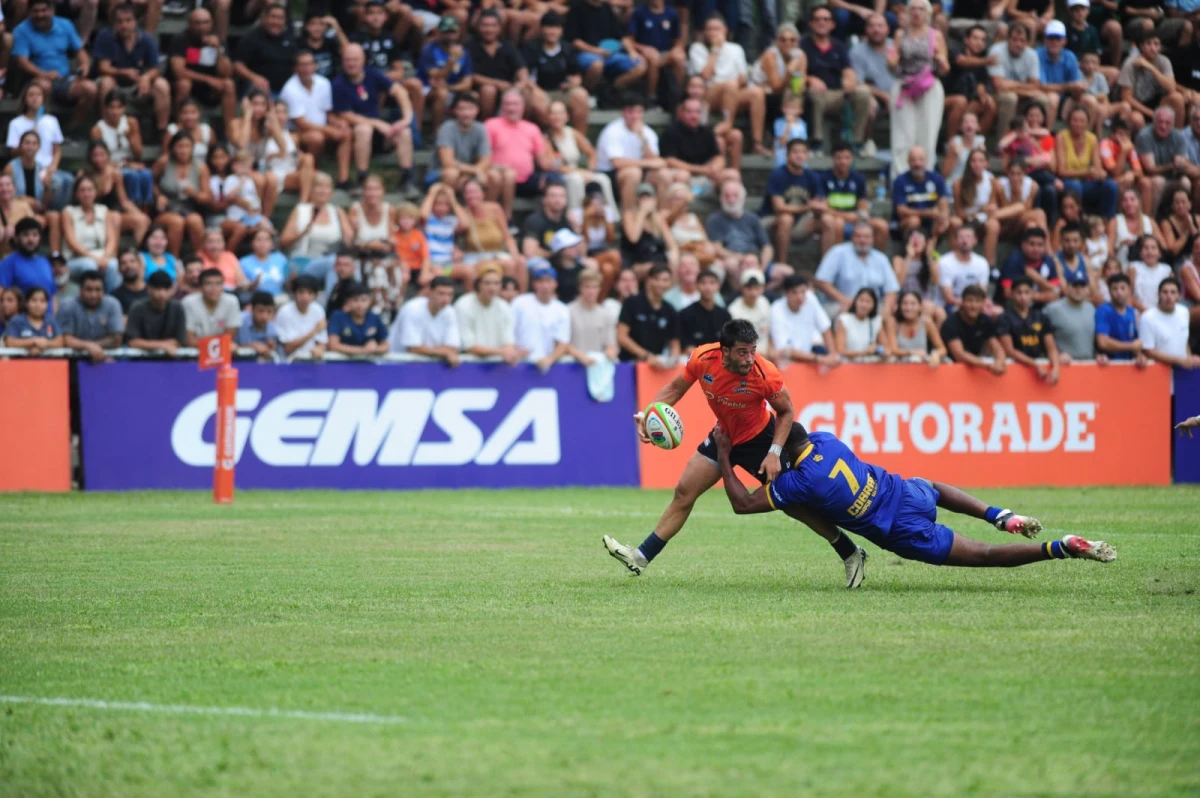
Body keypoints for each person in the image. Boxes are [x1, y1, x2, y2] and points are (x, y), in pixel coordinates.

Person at [604, 318, 865, 586]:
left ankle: (850, 552)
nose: (750, 358)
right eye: (743, 351)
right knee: (684, 493)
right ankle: (641, 557)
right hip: (723, 437)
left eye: (753, 350)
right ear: (725, 350)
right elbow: (674, 389)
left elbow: (786, 412)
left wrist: (774, 452)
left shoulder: (766, 373)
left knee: (794, 505)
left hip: (760, 440)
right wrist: (648, 414)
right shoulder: (703, 358)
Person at [711, 422, 1116, 574]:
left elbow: (743, 503)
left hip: (898, 529)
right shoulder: (826, 441)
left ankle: (1059, 548)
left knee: (985, 556)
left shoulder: (800, 484)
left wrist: (725, 455)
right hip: (903, 492)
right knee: (935, 488)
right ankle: (999, 513)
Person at [332, 44, 417, 197]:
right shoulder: (339, 83)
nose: (351, 64)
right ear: (342, 62)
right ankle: (362, 178)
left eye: (355, 60)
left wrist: (406, 119)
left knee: (405, 132)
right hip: (357, 137)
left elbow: (400, 92)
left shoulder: (372, 74)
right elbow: (346, 115)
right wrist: (377, 123)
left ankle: (406, 180)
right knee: (363, 129)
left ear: (363, 60)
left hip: (380, 135)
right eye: (347, 60)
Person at [688, 13, 768, 157]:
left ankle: (757, 142)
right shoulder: (697, 48)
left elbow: (743, 78)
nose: (713, 33)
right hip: (708, 94)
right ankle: (727, 122)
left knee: (757, 92)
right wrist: (715, 51)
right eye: (709, 29)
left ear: (725, 30)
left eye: (717, 29)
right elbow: (703, 76)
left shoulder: (736, 49)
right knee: (730, 85)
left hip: (732, 93)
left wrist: (739, 82)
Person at [12, 0, 98, 129]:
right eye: (35, 11)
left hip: (65, 79)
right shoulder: (21, 30)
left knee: (90, 88)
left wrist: (85, 65)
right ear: (29, 12)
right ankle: (40, 127)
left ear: (52, 10)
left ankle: (73, 128)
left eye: (44, 11)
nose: (40, 15)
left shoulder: (65, 25)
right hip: (36, 78)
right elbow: (22, 62)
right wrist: (44, 74)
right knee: (43, 86)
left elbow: (80, 51)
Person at [888, 0, 948, 182]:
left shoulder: (935, 35)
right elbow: (892, 63)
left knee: (928, 134)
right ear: (907, 13)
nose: (916, 12)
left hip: (928, 86)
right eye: (912, 9)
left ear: (927, 13)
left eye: (920, 9)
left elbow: (945, 68)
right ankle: (899, 179)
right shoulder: (900, 34)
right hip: (905, 86)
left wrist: (940, 60)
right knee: (902, 137)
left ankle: (925, 177)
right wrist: (891, 60)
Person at [799, 5, 872, 153]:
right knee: (815, 95)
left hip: (839, 93)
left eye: (826, 19)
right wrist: (809, 79)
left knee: (863, 92)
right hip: (815, 95)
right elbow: (795, 73)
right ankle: (816, 143)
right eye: (817, 19)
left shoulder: (839, 45)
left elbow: (848, 69)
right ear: (811, 23)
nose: (821, 23)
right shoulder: (803, 44)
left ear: (832, 24)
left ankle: (856, 142)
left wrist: (850, 78)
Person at [93, 3, 171, 137]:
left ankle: (161, 132)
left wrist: (146, 77)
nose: (124, 25)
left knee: (161, 85)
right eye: (120, 21)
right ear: (114, 23)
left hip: (138, 85)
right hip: (115, 84)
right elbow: (103, 67)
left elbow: (154, 68)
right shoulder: (106, 36)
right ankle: (106, 129)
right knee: (106, 82)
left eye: (128, 20)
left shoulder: (146, 39)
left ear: (135, 22)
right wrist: (123, 72)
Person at [280, 52, 352, 189]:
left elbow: (327, 112)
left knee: (346, 132)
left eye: (310, 64)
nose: (307, 68)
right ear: (296, 68)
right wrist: (329, 130)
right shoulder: (290, 89)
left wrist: (338, 123)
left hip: (321, 127)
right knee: (316, 138)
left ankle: (344, 179)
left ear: (315, 66)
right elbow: (300, 123)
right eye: (303, 65)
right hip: (297, 132)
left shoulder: (323, 83)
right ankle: (311, 172)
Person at [168, 8, 237, 136]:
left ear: (211, 24)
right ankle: (180, 130)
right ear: (190, 24)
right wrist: (208, 79)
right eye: (197, 23)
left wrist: (219, 50)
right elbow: (179, 71)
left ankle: (230, 132)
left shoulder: (218, 41)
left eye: (205, 22)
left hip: (210, 90)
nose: (202, 27)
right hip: (190, 87)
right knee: (184, 84)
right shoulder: (181, 40)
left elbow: (227, 72)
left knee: (229, 84)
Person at [279, 173, 353, 290]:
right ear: (312, 190)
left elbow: (349, 242)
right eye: (319, 186)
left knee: (343, 264)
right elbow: (283, 242)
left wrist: (350, 232)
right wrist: (302, 232)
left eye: (327, 187)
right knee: (335, 263)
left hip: (330, 260)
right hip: (305, 261)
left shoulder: (337, 212)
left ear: (331, 192)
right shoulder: (301, 210)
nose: (323, 191)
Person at [485, 89, 552, 218]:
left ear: (523, 107)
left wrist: (560, 166)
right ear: (502, 106)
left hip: (526, 180)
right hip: (500, 177)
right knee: (509, 175)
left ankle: (551, 222)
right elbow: (483, 156)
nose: (511, 108)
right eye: (508, 104)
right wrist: (498, 167)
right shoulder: (491, 125)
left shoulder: (532, 128)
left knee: (556, 182)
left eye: (515, 104)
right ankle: (506, 218)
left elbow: (543, 161)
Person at [595, 94, 666, 213]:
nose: (635, 116)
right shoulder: (612, 131)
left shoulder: (647, 132)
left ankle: (662, 216)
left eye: (639, 112)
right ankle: (628, 216)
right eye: (630, 112)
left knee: (663, 174)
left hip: (639, 172)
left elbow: (656, 161)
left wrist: (642, 139)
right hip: (611, 175)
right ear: (623, 112)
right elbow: (617, 163)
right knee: (633, 173)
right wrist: (648, 163)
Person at [6, 84, 71, 212]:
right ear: (25, 99)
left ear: (43, 99)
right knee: (56, 183)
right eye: (31, 95)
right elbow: (13, 152)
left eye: (38, 95)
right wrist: (26, 141)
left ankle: (57, 213)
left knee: (68, 180)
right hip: (29, 167)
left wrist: (52, 167)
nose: (35, 98)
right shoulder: (16, 123)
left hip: (48, 167)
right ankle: (44, 211)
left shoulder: (51, 121)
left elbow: (57, 150)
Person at [815, 219, 898, 319]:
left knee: (890, 317)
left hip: (873, 306)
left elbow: (891, 289)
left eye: (866, 237)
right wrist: (843, 299)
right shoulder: (837, 252)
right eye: (858, 236)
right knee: (843, 315)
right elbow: (821, 281)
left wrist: (887, 308)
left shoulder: (881, 258)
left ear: (873, 239)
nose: (862, 240)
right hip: (841, 303)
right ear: (852, 237)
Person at [544, 100, 616, 213]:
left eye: (560, 113)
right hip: (559, 174)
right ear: (548, 117)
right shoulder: (546, 138)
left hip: (578, 171)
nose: (557, 117)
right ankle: (578, 217)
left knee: (603, 179)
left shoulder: (572, 133)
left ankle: (610, 217)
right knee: (575, 180)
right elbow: (553, 165)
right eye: (553, 113)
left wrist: (590, 170)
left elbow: (592, 153)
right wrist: (579, 172)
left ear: (567, 116)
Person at [761, 138, 824, 267]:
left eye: (803, 152)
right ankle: (781, 265)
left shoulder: (813, 176)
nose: (799, 155)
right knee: (786, 218)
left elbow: (821, 202)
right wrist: (807, 207)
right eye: (795, 152)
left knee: (828, 220)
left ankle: (825, 268)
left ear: (807, 155)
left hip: (800, 223)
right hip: (771, 220)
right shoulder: (778, 174)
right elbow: (779, 207)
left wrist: (817, 207)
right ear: (787, 155)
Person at [523, 12, 588, 133]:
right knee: (536, 100)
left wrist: (573, 83)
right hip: (540, 90)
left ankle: (580, 139)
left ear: (561, 30)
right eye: (549, 27)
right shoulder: (531, 48)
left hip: (561, 91)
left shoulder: (567, 48)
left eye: (556, 28)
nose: (553, 31)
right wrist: (537, 90)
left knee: (581, 95)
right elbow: (525, 77)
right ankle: (552, 139)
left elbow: (576, 76)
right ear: (542, 29)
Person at [511, 261, 582, 369]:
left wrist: (550, 359)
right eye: (541, 281)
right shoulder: (519, 303)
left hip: (547, 364)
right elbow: (509, 331)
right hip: (520, 362)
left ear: (555, 284)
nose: (544, 286)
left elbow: (563, 342)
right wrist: (515, 352)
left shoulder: (561, 309)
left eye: (548, 281)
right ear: (534, 284)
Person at [820, 140, 886, 255]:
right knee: (838, 223)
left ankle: (875, 262)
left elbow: (862, 204)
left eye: (847, 158)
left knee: (882, 225)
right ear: (833, 159)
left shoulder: (859, 178)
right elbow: (824, 208)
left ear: (852, 159)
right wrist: (846, 216)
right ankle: (838, 264)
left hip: (854, 219)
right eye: (839, 158)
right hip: (835, 219)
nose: (843, 161)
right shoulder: (823, 178)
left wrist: (861, 215)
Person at [567, 0, 646, 94]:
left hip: (610, 53)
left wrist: (632, 52)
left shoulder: (607, 8)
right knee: (597, 65)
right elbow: (574, 41)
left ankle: (611, 91)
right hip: (586, 53)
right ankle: (587, 94)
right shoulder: (576, 8)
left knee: (640, 65)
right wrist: (596, 51)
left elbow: (620, 36)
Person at [434, 92, 503, 200]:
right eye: (461, 109)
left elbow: (486, 160)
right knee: (452, 173)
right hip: (441, 173)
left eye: (470, 109)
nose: (466, 113)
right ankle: (450, 208)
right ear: (455, 111)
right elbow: (448, 162)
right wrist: (475, 171)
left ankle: (485, 210)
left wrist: (471, 174)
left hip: (468, 172)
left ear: (477, 110)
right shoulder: (447, 128)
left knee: (494, 176)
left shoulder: (480, 128)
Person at [660, 97, 732, 197]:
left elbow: (718, 156)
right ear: (681, 113)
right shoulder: (671, 132)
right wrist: (702, 170)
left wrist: (715, 168)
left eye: (697, 112)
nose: (694, 116)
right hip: (682, 178)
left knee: (731, 175)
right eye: (689, 112)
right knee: (683, 176)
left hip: (704, 181)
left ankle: (729, 211)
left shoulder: (706, 132)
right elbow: (670, 161)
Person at [708, 181, 775, 289]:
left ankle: (762, 292)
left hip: (755, 259)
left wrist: (762, 266)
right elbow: (717, 248)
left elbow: (767, 247)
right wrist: (741, 258)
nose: (731, 200)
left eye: (735, 195)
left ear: (743, 198)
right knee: (730, 265)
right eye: (727, 196)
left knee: (785, 272)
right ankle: (742, 293)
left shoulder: (753, 218)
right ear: (721, 198)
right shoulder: (715, 220)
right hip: (733, 258)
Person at [152, 131, 209, 257]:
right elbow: (151, 182)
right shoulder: (164, 162)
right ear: (173, 148)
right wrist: (158, 195)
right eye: (180, 146)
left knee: (196, 221)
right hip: (167, 209)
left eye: (187, 146)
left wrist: (194, 193)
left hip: (189, 209)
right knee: (177, 222)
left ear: (193, 148)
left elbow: (207, 197)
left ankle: (199, 258)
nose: (183, 151)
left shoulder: (201, 167)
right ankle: (174, 260)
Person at [82, 140, 150, 246]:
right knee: (114, 216)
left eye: (102, 155)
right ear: (90, 158)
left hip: (115, 216)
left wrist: (139, 213)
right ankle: (112, 256)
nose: (99, 159)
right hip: (94, 216)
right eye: (95, 155)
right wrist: (102, 190)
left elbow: (124, 201)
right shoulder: (84, 175)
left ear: (108, 155)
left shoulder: (115, 173)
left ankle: (140, 258)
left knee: (142, 220)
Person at [1056, 107, 1119, 222]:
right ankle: (1079, 221)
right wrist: (1087, 172)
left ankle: (1108, 222)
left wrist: (1100, 173)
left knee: (1111, 185)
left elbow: (1097, 167)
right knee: (1075, 186)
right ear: (1069, 122)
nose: (1078, 124)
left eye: (1082, 121)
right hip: (1067, 181)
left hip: (1086, 183)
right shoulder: (1062, 137)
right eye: (1075, 120)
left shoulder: (1092, 138)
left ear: (1087, 123)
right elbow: (1061, 171)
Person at [988, 24, 1048, 139]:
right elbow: (998, 85)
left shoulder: (1032, 54)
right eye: (1014, 40)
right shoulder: (997, 50)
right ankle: (1003, 141)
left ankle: (1041, 140)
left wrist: (1011, 84)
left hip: (1020, 94)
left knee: (1043, 99)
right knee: (1010, 98)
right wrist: (1024, 87)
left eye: (1022, 41)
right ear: (1008, 39)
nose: (1018, 44)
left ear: (1027, 42)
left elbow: (1035, 85)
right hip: (995, 93)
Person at [996, 276, 1062, 383]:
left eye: (1027, 293)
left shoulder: (1041, 317)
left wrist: (1055, 368)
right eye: (1019, 293)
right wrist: (1034, 364)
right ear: (1012, 294)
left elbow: (1051, 348)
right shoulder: (1005, 318)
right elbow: (1010, 350)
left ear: (1032, 294)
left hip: (1040, 366)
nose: (1023, 297)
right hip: (1014, 368)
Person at [1118, 29, 1186, 131]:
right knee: (1137, 119)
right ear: (1141, 46)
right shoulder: (1130, 64)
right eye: (1148, 44)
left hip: (1157, 102)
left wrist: (1151, 68)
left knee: (1177, 98)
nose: (1153, 48)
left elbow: (1171, 88)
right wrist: (1151, 113)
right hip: (1137, 106)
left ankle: (1177, 136)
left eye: (1156, 44)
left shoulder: (1163, 61)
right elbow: (1126, 97)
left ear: (1160, 47)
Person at [62, 176, 121, 293]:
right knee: (89, 265)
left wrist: (105, 257)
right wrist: (94, 258)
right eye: (82, 190)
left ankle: (112, 301)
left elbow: (111, 240)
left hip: (101, 255)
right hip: (76, 259)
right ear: (76, 194)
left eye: (90, 189)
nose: (86, 193)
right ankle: (90, 298)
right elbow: (72, 242)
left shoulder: (104, 210)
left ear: (95, 192)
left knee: (113, 264)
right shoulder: (68, 212)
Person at [417, 16, 475, 135]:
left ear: (458, 33)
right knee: (442, 93)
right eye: (446, 32)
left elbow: (467, 83)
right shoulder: (429, 49)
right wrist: (451, 60)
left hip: (451, 89)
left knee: (473, 95)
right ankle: (436, 132)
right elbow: (436, 78)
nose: (449, 36)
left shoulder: (464, 52)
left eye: (452, 32)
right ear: (439, 33)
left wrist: (449, 88)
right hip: (428, 91)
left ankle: (469, 133)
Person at [468, 9, 528, 119]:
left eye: (493, 26)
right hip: (480, 91)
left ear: (499, 28)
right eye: (485, 25)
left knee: (526, 91)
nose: (489, 29)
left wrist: (518, 86)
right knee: (488, 90)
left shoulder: (508, 46)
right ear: (478, 27)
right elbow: (470, 75)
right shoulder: (471, 47)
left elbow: (522, 69)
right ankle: (488, 126)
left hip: (507, 90)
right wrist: (497, 83)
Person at [455, 267, 523, 364]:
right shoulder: (463, 305)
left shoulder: (504, 307)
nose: (492, 288)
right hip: (470, 364)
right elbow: (469, 347)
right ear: (478, 284)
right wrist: (503, 352)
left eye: (496, 283)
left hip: (496, 364)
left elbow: (509, 341)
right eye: (487, 283)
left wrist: (510, 352)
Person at [1136, 107, 1195, 217]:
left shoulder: (1178, 136)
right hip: (1149, 177)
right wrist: (1172, 165)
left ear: (1173, 124)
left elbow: (1183, 160)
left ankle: (1180, 217)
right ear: (1154, 122)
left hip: (1171, 176)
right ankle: (1152, 219)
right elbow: (1150, 169)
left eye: (1167, 123)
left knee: (1186, 182)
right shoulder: (1144, 136)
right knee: (1159, 181)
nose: (1163, 126)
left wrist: (1182, 163)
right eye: (1160, 122)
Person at [617, 263, 679, 365]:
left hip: (656, 366)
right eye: (657, 279)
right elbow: (622, 337)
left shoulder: (670, 310)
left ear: (670, 283)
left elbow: (675, 343)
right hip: (629, 363)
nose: (661, 284)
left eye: (665, 280)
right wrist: (646, 356)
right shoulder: (632, 303)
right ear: (649, 280)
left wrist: (672, 360)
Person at [847, 14, 891, 160]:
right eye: (872, 26)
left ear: (887, 29)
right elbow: (858, 82)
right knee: (868, 101)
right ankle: (867, 142)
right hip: (876, 96)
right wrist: (884, 96)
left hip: (899, 94)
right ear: (866, 30)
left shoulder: (895, 47)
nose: (876, 30)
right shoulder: (857, 51)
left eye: (880, 26)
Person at [768, 273, 837, 365]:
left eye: (803, 292)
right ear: (786, 293)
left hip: (808, 359)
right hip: (786, 363)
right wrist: (819, 358)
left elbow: (825, 328)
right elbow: (785, 351)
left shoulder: (811, 299)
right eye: (795, 292)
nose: (800, 297)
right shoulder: (776, 309)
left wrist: (832, 355)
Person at [390, 275, 461, 364]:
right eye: (441, 293)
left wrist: (443, 351)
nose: (446, 299)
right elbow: (414, 348)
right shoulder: (412, 308)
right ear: (430, 292)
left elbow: (453, 347)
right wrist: (445, 352)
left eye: (449, 294)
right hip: (397, 364)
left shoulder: (450, 311)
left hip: (427, 365)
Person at [949, 148, 1002, 266]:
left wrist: (988, 210)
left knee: (993, 225)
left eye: (981, 161)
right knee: (954, 222)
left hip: (982, 221)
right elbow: (960, 213)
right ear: (969, 163)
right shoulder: (958, 183)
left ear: (987, 164)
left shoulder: (992, 182)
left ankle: (990, 265)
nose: (977, 164)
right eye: (973, 161)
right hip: (966, 220)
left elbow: (991, 206)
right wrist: (978, 211)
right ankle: (955, 261)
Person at [943, 26, 997, 140]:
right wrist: (986, 61)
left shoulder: (981, 62)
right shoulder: (954, 50)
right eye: (975, 38)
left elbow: (981, 85)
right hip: (947, 99)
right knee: (960, 101)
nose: (979, 43)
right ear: (966, 40)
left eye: (983, 40)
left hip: (968, 102)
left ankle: (975, 142)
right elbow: (961, 61)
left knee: (990, 104)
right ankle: (951, 143)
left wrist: (984, 96)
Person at [628, 0, 685, 106]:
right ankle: (651, 96)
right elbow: (630, 40)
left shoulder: (672, 14)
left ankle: (678, 94)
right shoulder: (639, 13)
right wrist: (643, 48)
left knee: (679, 58)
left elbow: (677, 40)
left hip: (666, 52)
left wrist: (676, 49)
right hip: (645, 53)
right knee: (654, 59)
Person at [55, 270, 121, 360]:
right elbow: (65, 339)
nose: (93, 295)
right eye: (89, 289)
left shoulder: (113, 304)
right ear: (80, 290)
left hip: (104, 359)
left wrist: (93, 347)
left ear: (104, 290)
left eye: (98, 290)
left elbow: (116, 339)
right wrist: (88, 346)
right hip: (72, 360)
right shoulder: (68, 305)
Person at [233, 3, 296, 96]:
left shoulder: (290, 38)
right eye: (273, 17)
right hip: (258, 89)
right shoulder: (251, 38)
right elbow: (237, 65)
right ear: (264, 18)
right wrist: (254, 78)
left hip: (286, 89)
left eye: (280, 18)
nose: (276, 22)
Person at [892, 146, 950, 247]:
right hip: (906, 223)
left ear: (926, 161)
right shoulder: (900, 181)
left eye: (921, 160)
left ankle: (935, 252)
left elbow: (943, 202)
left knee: (953, 222)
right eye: (913, 160)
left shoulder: (936, 178)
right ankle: (913, 255)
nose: (917, 164)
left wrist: (944, 216)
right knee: (914, 220)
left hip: (932, 222)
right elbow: (901, 211)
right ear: (908, 162)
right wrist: (928, 213)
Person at [940, 284, 1006, 373]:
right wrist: (989, 366)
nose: (973, 305)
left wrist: (1000, 361)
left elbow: (996, 346)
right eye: (969, 301)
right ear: (962, 302)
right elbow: (959, 354)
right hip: (950, 367)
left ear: (983, 303)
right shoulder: (951, 322)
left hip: (975, 364)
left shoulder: (986, 320)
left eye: (978, 301)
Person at [1139, 276, 1199, 368]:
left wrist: (1189, 358)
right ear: (1158, 294)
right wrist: (1179, 360)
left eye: (1173, 292)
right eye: (1165, 292)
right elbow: (1148, 351)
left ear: (1178, 296)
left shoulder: (1184, 312)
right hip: (1158, 371)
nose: (1169, 296)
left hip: (1181, 371)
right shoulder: (1147, 317)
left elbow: (1184, 341)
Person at [1036, 20, 1087, 127]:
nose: (1054, 42)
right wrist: (1069, 86)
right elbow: (1042, 86)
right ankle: (1047, 137)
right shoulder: (1037, 55)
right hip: (1042, 97)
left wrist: (1079, 89)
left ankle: (1087, 139)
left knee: (1091, 101)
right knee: (1053, 98)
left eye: (1058, 39)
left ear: (1064, 41)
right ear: (1045, 40)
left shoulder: (1070, 56)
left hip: (1065, 99)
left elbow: (1075, 88)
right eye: (1051, 38)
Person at [124, 269, 186, 355]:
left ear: (171, 290)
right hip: (141, 361)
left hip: (171, 360)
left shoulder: (177, 308)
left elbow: (179, 341)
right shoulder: (137, 308)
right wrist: (163, 345)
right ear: (149, 288)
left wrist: (147, 344)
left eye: (166, 288)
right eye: (158, 288)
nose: (162, 293)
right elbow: (132, 342)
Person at [0, 218, 54, 307]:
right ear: (16, 238)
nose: (30, 240)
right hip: (20, 319)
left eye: (35, 235)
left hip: (47, 319)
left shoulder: (45, 262)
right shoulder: (8, 263)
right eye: (25, 235)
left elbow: (52, 296)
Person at [892, 228, 942, 322]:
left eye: (920, 239)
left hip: (923, 300)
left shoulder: (932, 260)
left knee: (938, 312)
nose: (916, 242)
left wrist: (929, 256)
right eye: (914, 239)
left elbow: (935, 281)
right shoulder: (899, 259)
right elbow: (898, 284)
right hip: (904, 299)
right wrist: (909, 257)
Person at [1094, 272, 1146, 364]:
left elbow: (1136, 341)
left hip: (1129, 366)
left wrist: (1139, 355)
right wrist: (1131, 346)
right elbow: (1103, 342)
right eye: (1115, 289)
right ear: (1109, 291)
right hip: (1109, 365)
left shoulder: (1132, 312)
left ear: (1129, 290)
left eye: (1123, 288)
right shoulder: (1103, 311)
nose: (1119, 292)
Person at [181, 267, 241, 345]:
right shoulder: (188, 302)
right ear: (201, 287)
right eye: (208, 284)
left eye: (218, 284)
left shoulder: (232, 301)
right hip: (196, 352)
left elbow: (229, 337)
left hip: (221, 351)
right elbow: (189, 340)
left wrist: (205, 343)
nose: (214, 288)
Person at [568, 267, 617, 361]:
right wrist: (583, 358)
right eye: (587, 287)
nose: (591, 291)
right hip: (573, 365)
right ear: (580, 288)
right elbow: (564, 343)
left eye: (595, 287)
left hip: (597, 366)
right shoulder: (568, 311)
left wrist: (610, 352)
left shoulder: (605, 314)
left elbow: (610, 344)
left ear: (599, 289)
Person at [885, 289, 946, 364]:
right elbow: (893, 349)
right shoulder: (893, 322)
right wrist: (912, 352)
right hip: (899, 365)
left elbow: (942, 348)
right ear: (900, 306)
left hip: (921, 365)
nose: (908, 308)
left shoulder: (926, 322)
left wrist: (936, 354)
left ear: (920, 306)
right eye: (905, 303)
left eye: (913, 304)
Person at [328, 282, 389, 356]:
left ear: (370, 301)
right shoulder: (338, 316)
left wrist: (375, 349)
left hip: (368, 365)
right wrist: (363, 350)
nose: (360, 305)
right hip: (342, 365)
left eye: (364, 300)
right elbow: (333, 346)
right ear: (348, 301)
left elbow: (385, 346)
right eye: (355, 300)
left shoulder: (374, 318)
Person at [1044, 274, 1097, 361]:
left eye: (1082, 286)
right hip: (1064, 364)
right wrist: (1056, 354)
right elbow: (1041, 335)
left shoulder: (1092, 309)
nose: (1078, 290)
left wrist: (1098, 354)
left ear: (1087, 289)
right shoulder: (1052, 309)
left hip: (1089, 364)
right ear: (1067, 287)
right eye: (1075, 286)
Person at [275, 274, 328, 359]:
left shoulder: (319, 310)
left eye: (310, 293)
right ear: (294, 293)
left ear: (315, 295)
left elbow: (322, 342)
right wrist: (314, 331)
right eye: (301, 292)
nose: (305, 297)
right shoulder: (284, 312)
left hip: (312, 363)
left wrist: (319, 349)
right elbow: (288, 348)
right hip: (289, 363)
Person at [678, 267, 730, 353]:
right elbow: (685, 346)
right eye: (703, 283)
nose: (707, 287)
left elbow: (728, 344)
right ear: (697, 285)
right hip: (694, 359)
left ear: (718, 286)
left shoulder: (725, 315)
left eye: (712, 283)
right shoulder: (685, 314)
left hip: (719, 360)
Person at [1108, 186, 1159, 266]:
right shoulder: (1115, 221)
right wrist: (1121, 245)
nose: (1129, 203)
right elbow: (1109, 250)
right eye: (1125, 200)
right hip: (1123, 265)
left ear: (1139, 201)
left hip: (1147, 266)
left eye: (1132, 199)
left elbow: (1162, 247)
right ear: (1121, 204)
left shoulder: (1150, 221)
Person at [1, 285, 61, 352]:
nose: (38, 305)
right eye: (34, 300)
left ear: (47, 304)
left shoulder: (51, 320)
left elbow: (59, 341)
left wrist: (46, 344)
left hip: (48, 362)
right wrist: (33, 342)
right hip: (21, 362)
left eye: (42, 301)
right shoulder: (17, 321)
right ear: (26, 303)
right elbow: (10, 342)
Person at [833, 286, 883, 359]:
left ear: (873, 305)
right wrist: (864, 353)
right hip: (849, 366)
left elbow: (887, 350)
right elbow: (840, 351)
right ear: (855, 301)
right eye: (861, 300)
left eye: (868, 301)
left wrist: (878, 349)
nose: (864, 305)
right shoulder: (844, 319)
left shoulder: (875, 320)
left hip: (870, 365)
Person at [239, 229, 288, 299]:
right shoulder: (243, 262)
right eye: (259, 239)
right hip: (256, 299)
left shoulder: (280, 258)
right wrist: (253, 284)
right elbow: (243, 288)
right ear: (252, 243)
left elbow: (287, 284)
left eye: (266, 240)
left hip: (280, 297)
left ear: (272, 244)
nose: (262, 243)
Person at [1129, 236, 1173, 313]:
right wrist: (1144, 310)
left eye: (1153, 248)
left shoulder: (1166, 269)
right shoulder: (1134, 267)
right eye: (1146, 248)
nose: (1150, 251)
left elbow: (1173, 293)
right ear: (1140, 252)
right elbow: (1128, 295)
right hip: (1139, 311)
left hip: (1161, 312)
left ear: (1159, 253)